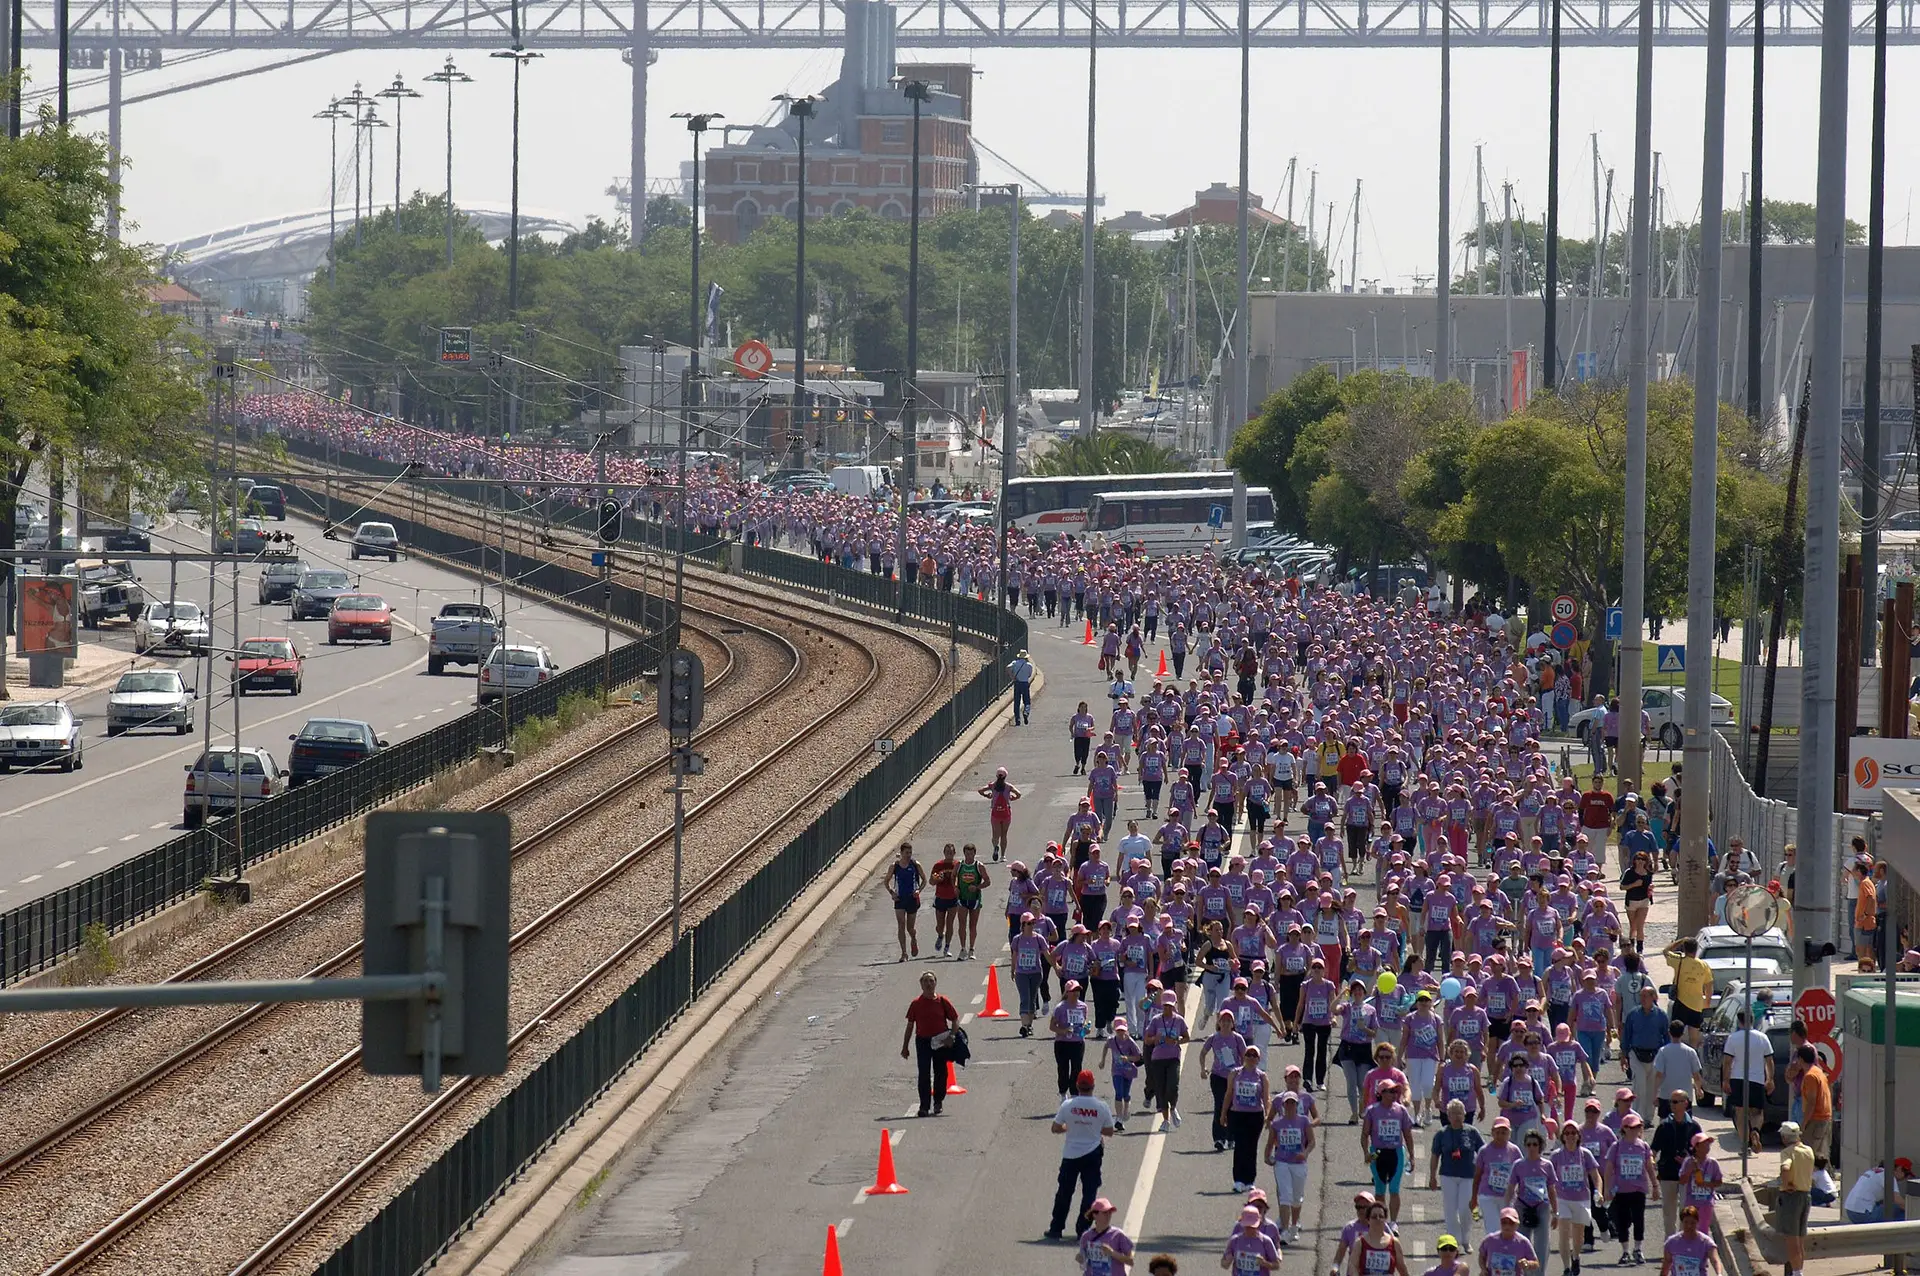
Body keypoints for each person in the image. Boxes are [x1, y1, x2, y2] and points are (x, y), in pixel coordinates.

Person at [1049, 1069, 1116, 1241]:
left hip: (1071, 1154)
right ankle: (1082, 1229)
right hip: (1092, 1153)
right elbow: (1109, 1131)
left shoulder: (1068, 1105)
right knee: (1089, 1193)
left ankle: (1056, 1227)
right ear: (1093, 1086)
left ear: (1077, 1085)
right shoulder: (1101, 1106)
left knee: (1064, 1191)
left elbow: (1055, 1128)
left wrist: (1069, 1127)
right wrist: (1093, 1128)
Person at [900, 970, 959, 1117]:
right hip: (923, 1042)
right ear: (921, 984)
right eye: (925, 981)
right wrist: (905, 1047)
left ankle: (938, 1101)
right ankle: (924, 1106)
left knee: (941, 1073)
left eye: (931, 981)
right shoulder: (916, 1004)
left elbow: (955, 1019)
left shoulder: (942, 1001)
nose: (928, 984)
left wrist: (952, 1036)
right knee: (924, 1074)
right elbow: (910, 1026)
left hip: (941, 1042)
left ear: (936, 983)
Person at [1430, 1098, 1486, 1250]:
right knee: (1450, 1210)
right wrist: (1432, 1177)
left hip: (1468, 1176)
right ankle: (1453, 1242)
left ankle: (1466, 1239)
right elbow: (1435, 1156)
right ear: (1448, 1116)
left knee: (1465, 1209)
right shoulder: (1441, 1134)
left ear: (1464, 1114)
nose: (1456, 1116)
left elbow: (1483, 1152)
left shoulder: (1472, 1132)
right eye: (1453, 1113)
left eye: (1459, 1113)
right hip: (1447, 1175)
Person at [1549, 1120, 1601, 1276]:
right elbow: (1549, 1179)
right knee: (1564, 1232)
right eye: (1567, 1133)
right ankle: (1566, 1268)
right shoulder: (1556, 1156)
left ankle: (1576, 1257)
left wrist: (1598, 1191)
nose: (1570, 1136)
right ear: (1563, 1137)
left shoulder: (1585, 1154)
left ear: (1578, 1136)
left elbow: (1596, 1176)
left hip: (1581, 1199)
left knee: (1579, 1235)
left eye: (1573, 1133)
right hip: (1562, 1199)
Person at [1719, 1007, 1774, 1154]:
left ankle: (1745, 1145)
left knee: (1740, 1113)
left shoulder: (1733, 1038)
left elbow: (1727, 1061)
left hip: (1738, 1079)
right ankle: (1755, 1130)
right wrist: (1770, 1079)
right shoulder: (1763, 1038)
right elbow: (1769, 1061)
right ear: (1752, 1020)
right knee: (1757, 1112)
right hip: (1757, 1080)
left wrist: (1725, 1080)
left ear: (1739, 1021)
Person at [1602, 1111, 1654, 1265]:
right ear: (1624, 1128)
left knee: (1639, 1220)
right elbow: (1609, 1168)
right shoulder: (1616, 1146)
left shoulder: (1643, 1146)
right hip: (1621, 1191)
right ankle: (1625, 1251)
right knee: (1622, 1221)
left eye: (1637, 1127)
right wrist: (1607, 1189)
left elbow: (1649, 1167)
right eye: (1631, 1127)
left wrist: (1655, 1186)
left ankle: (1638, 1249)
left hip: (1638, 1190)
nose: (1634, 1130)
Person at [1264, 1090, 1316, 1241]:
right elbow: (1270, 1143)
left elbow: (1312, 1141)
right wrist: (1267, 1157)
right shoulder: (1277, 1124)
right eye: (1287, 1103)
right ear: (1283, 1105)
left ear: (1296, 1104)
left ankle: (1294, 1226)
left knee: (1297, 1198)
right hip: (1282, 1163)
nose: (1290, 1106)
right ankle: (1285, 1231)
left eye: (1293, 1103)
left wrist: (1305, 1153)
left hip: (1299, 1163)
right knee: (1285, 1196)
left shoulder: (1304, 1121)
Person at [1649, 1092, 1703, 1238]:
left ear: (1686, 1103)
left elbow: (1701, 1152)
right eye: (1671, 1102)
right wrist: (1652, 1161)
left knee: (1686, 1211)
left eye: (1676, 1102)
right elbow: (1653, 1150)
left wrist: (1690, 1160)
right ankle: (1670, 1243)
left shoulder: (1694, 1127)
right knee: (1669, 1212)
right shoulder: (1664, 1126)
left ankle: (1683, 1241)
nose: (1672, 1105)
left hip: (1687, 1175)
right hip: (1668, 1174)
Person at [1364, 1078, 1417, 1221]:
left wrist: (1412, 1156)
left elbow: (1407, 1135)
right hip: (1377, 1153)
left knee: (1394, 1189)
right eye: (1391, 1091)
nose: (1395, 1094)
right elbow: (1364, 1135)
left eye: (1396, 1091)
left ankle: (1393, 1223)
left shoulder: (1401, 1111)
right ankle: (1381, 1221)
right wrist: (1366, 1153)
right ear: (1381, 1093)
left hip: (1396, 1153)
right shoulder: (1372, 1111)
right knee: (1380, 1190)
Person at [1619, 986, 1670, 1123]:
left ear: (1653, 997)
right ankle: (1637, 1116)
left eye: (1645, 996)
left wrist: (1666, 1057)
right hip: (1636, 1054)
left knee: (1652, 1088)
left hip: (1655, 1055)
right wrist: (1623, 1054)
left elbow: (1666, 1036)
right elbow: (1626, 1035)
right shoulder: (1633, 1014)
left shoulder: (1661, 1015)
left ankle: (1648, 1118)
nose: (1642, 999)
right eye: (1641, 996)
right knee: (1639, 1085)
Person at [1506, 1128, 1555, 1268]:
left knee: (1542, 1245)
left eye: (1535, 1144)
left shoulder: (1547, 1165)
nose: (1532, 1147)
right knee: (1521, 1243)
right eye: (1528, 1144)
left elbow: (1551, 1190)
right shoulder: (1518, 1165)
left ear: (1540, 1145)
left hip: (1542, 1207)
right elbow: (1510, 1188)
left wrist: (1555, 1212)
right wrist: (1507, 1209)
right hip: (1522, 1207)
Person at [1226, 1045, 1273, 1192]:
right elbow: (1228, 1094)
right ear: (1244, 1057)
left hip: (1255, 1115)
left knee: (1251, 1147)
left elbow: (1266, 1098)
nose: (1251, 1058)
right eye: (1248, 1055)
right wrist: (1223, 1114)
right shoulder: (1235, 1073)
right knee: (1240, 1146)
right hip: (1238, 1114)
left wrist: (1268, 1116)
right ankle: (1238, 1180)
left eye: (1254, 1056)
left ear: (1258, 1059)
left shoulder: (1262, 1076)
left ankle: (1250, 1180)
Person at [1143, 990, 1191, 1131]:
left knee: (1173, 1085)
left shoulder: (1179, 1020)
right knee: (1161, 1089)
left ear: (1174, 1005)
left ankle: (1174, 1107)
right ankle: (1165, 1120)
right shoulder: (1156, 1020)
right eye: (1165, 1006)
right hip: (1158, 1058)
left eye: (1170, 1006)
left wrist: (1177, 1041)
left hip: (1173, 1058)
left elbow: (1187, 1037)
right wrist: (1154, 1039)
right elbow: (1147, 1039)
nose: (1168, 1009)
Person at [1774, 1123, 1812, 1276]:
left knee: (1791, 1240)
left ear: (1784, 1137)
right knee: (1800, 1240)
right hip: (1806, 1196)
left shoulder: (1787, 1152)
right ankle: (1799, 1270)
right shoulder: (1808, 1150)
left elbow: (1785, 1168)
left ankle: (1797, 1273)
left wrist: (1786, 1183)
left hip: (1791, 1198)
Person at [1660, 938, 1711, 1047]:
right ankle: (1692, 1055)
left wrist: (1680, 941)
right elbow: (1709, 985)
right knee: (1694, 1038)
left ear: (1684, 949)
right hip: (1696, 1005)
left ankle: (1675, 1054)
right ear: (1696, 949)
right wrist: (1707, 1002)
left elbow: (1665, 951)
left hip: (1681, 1003)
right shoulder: (1703, 965)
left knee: (1676, 1035)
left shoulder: (1679, 961)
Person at [1053, 980, 1095, 1097]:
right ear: (1067, 992)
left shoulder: (1083, 1006)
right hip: (1062, 1043)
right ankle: (1062, 1093)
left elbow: (1084, 1023)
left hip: (1078, 1042)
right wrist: (1063, 1031)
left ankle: (1074, 1094)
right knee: (1063, 1070)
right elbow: (1052, 1026)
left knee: (1077, 1069)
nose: (1076, 993)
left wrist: (1086, 1029)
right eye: (1073, 991)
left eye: (1078, 991)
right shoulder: (1060, 1008)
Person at [1650, 1024, 1702, 1119]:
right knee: (1685, 1122)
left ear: (1669, 1033)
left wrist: (1655, 1094)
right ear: (1683, 1033)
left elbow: (1658, 1075)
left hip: (1666, 1095)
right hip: (1685, 1096)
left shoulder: (1663, 1051)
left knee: (1665, 1124)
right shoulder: (1690, 1052)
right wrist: (1698, 1089)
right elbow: (1696, 1074)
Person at [1349, 1198, 1411, 1276]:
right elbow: (1353, 1267)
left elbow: (1403, 1271)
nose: (1378, 1219)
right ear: (1368, 1220)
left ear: (1385, 1220)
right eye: (1374, 1217)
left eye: (1381, 1216)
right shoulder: (1360, 1242)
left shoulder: (1394, 1243)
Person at [884, 842, 925, 961]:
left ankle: (913, 938)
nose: (908, 855)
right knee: (901, 925)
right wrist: (892, 893)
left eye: (910, 853)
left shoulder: (915, 864)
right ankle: (904, 953)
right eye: (906, 853)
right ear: (901, 853)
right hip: (900, 899)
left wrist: (918, 890)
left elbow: (924, 880)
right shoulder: (894, 866)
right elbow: (886, 881)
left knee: (909, 927)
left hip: (912, 898)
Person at [1793, 1045, 1833, 1161]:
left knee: (1808, 1155)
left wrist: (1804, 1123)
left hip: (1816, 1120)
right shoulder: (1819, 1072)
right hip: (1825, 1118)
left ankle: (1808, 1179)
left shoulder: (1810, 1076)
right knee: (1821, 1156)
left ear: (1801, 1059)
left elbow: (1811, 1101)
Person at [1077, 1197, 1135, 1274]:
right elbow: (1083, 1261)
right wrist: (1080, 1258)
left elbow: (1130, 1261)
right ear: (1094, 1215)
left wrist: (1112, 1252)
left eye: (1110, 1212)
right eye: (1105, 1212)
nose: (1108, 1215)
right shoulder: (1086, 1237)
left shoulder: (1118, 1235)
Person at [1658, 1205, 1720, 1276]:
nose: (1689, 1226)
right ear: (1682, 1222)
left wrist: (1719, 1273)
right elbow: (1666, 1265)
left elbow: (1715, 1260)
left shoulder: (1706, 1242)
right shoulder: (1671, 1242)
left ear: (1697, 1222)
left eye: (1692, 1223)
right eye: (1686, 1222)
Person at [1478, 1206, 1541, 1276]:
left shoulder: (1523, 1242)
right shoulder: (1490, 1240)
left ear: (1517, 1224)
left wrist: (1527, 1264)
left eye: (1511, 1223)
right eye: (1504, 1222)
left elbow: (1536, 1263)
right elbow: (1482, 1256)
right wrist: (1483, 1269)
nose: (1507, 1226)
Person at [953, 842, 989, 959]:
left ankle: (971, 949)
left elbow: (988, 881)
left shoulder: (979, 866)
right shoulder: (959, 865)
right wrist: (955, 887)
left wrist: (977, 887)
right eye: (967, 854)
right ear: (964, 854)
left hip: (975, 899)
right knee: (962, 924)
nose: (969, 856)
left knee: (972, 925)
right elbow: (953, 877)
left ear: (975, 854)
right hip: (962, 898)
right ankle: (963, 948)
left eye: (971, 854)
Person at [978, 768, 1022, 862]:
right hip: (1006, 813)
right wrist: (1012, 798)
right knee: (1004, 834)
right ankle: (1003, 856)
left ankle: (995, 846)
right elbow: (1019, 794)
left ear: (997, 776)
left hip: (995, 813)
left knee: (995, 834)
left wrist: (987, 796)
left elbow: (980, 790)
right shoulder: (1008, 786)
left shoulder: (992, 785)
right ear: (1005, 776)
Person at [1225, 1203, 1284, 1273]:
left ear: (1258, 1224)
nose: (1249, 1229)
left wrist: (1265, 1263)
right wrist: (1228, 1261)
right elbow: (1224, 1264)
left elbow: (1276, 1265)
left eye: (1253, 1226)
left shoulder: (1266, 1241)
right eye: (1247, 1226)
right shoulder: (1235, 1240)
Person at [929, 843, 961, 956]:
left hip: (953, 898)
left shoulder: (957, 865)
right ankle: (940, 935)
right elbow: (931, 882)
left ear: (954, 853)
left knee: (950, 923)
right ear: (944, 853)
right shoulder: (938, 865)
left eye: (951, 852)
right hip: (940, 897)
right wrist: (937, 879)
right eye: (947, 852)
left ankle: (947, 947)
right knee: (939, 925)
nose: (949, 854)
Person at [1008, 648, 1035, 726]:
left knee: (1017, 701)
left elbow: (1008, 668)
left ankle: (1017, 719)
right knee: (1026, 701)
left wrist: (1012, 677)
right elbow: (1029, 675)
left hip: (1017, 683)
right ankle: (1026, 712)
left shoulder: (1015, 663)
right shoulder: (1029, 665)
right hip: (1025, 683)